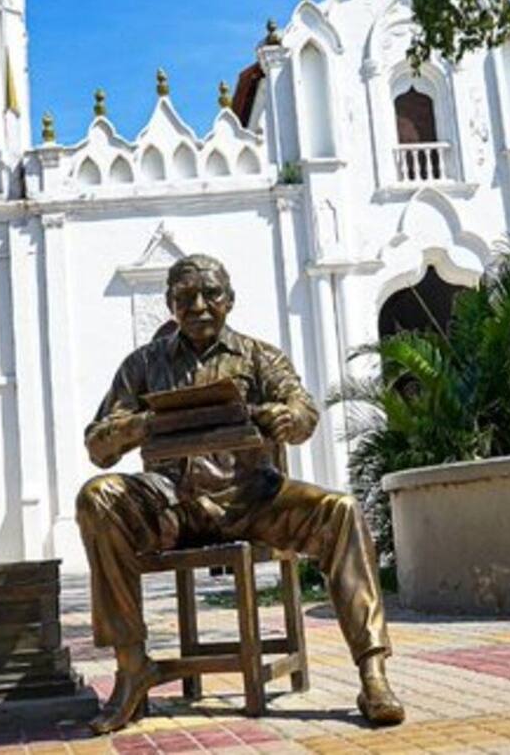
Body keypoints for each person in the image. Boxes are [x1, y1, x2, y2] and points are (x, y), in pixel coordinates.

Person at [77, 253, 405, 734]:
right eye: (185, 296)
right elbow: (97, 447)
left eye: (210, 294)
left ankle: (373, 672)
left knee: (341, 510)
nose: (198, 305)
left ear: (229, 300)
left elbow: (304, 411)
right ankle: (132, 666)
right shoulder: (143, 365)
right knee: (97, 496)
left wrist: (288, 418)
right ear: (170, 304)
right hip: (171, 507)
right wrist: (142, 424)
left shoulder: (258, 356)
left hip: (253, 502)